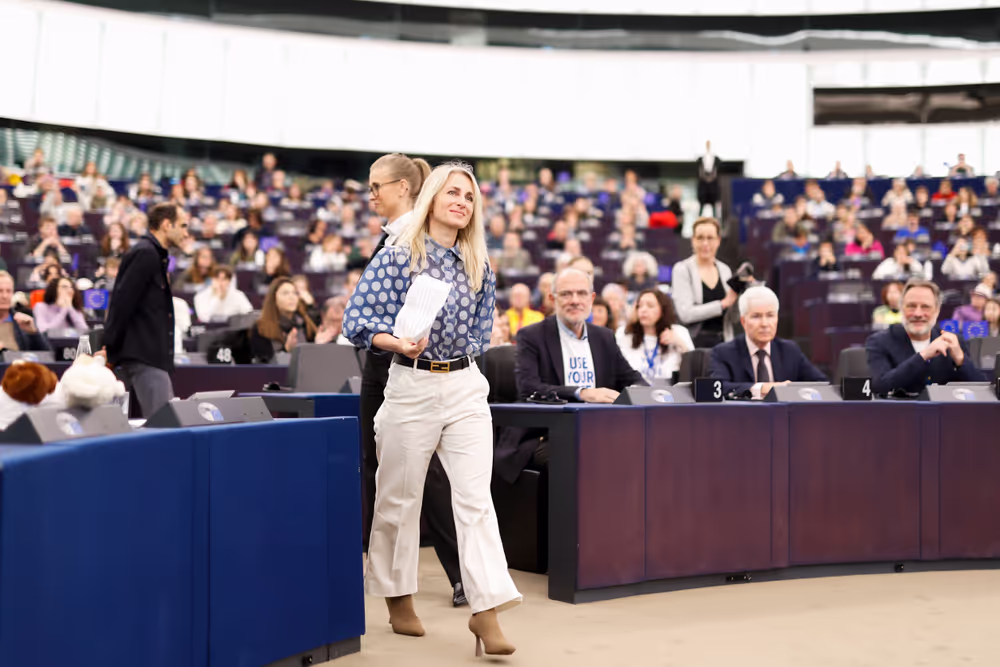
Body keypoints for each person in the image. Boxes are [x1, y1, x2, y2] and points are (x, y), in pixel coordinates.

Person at [343, 163, 520, 656]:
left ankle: (486, 610)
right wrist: (397, 342)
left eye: (469, 196)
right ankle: (398, 597)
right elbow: (357, 320)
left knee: (476, 499)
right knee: (398, 499)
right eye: (453, 192)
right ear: (433, 198)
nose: (462, 201)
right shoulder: (398, 254)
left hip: (464, 384)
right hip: (411, 383)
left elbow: (480, 334)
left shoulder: (479, 263)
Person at [356, 153, 466, 610]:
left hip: (405, 368)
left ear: (403, 187)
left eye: (376, 186)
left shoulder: (413, 242)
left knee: (425, 473)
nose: (370, 195)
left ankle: (460, 573)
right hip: (385, 362)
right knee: (383, 470)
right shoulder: (393, 239)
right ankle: (385, 575)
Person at [104, 203, 189, 417]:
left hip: (151, 355)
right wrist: (110, 347)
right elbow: (122, 303)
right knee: (164, 423)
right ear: (167, 225)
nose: (186, 233)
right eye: (183, 226)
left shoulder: (154, 254)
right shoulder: (145, 253)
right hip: (144, 355)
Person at [514, 266, 644, 405]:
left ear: (591, 298)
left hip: (600, 416)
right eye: (566, 294)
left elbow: (633, 379)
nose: (575, 301)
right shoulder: (531, 336)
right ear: (552, 299)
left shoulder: (604, 337)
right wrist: (582, 393)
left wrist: (638, 392)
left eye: (582, 293)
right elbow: (528, 388)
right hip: (555, 417)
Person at [708, 285, 827, 398]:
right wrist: (762, 388)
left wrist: (793, 390)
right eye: (756, 316)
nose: (764, 324)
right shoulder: (723, 353)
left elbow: (822, 385)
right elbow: (717, 389)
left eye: (770, 315)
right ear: (743, 322)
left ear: (777, 319)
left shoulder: (790, 350)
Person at [866, 279, 979, 395]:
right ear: (901, 309)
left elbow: (981, 392)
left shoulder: (954, 342)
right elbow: (880, 387)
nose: (918, 314)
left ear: (937, 311)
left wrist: (961, 360)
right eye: (911, 306)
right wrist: (924, 355)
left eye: (925, 307)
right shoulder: (879, 342)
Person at [671, 217, 736, 348]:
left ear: (718, 241)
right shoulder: (682, 269)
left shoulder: (725, 270)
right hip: (694, 344)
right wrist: (722, 305)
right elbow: (686, 314)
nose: (705, 243)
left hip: (724, 343)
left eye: (710, 238)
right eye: (700, 238)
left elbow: (732, 317)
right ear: (692, 240)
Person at [616, 289, 693, 384]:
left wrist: (679, 343)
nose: (643, 310)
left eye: (650, 306)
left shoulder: (679, 332)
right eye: (639, 306)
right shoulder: (624, 334)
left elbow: (693, 368)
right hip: (634, 389)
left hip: (670, 390)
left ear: (663, 310)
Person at [249, 277, 316, 363]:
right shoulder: (261, 328)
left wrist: (320, 344)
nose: (292, 297)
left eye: (295, 293)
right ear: (274, 298)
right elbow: (263, 366)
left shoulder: (305, 323)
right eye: (285, 293)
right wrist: (286, 350)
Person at [0, 271, 50, 353]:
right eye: (0, 291)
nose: (4, 296)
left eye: (8, 291)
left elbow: (46, 355)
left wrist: (34, 333)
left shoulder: (24, 320)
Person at [697, 140, 720, 217]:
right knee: (702, 204)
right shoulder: (700, 159)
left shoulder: (715, 159)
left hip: (713, 186)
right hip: (703, 185)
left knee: (714, 205)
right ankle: (699, 218)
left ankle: (715, 219)